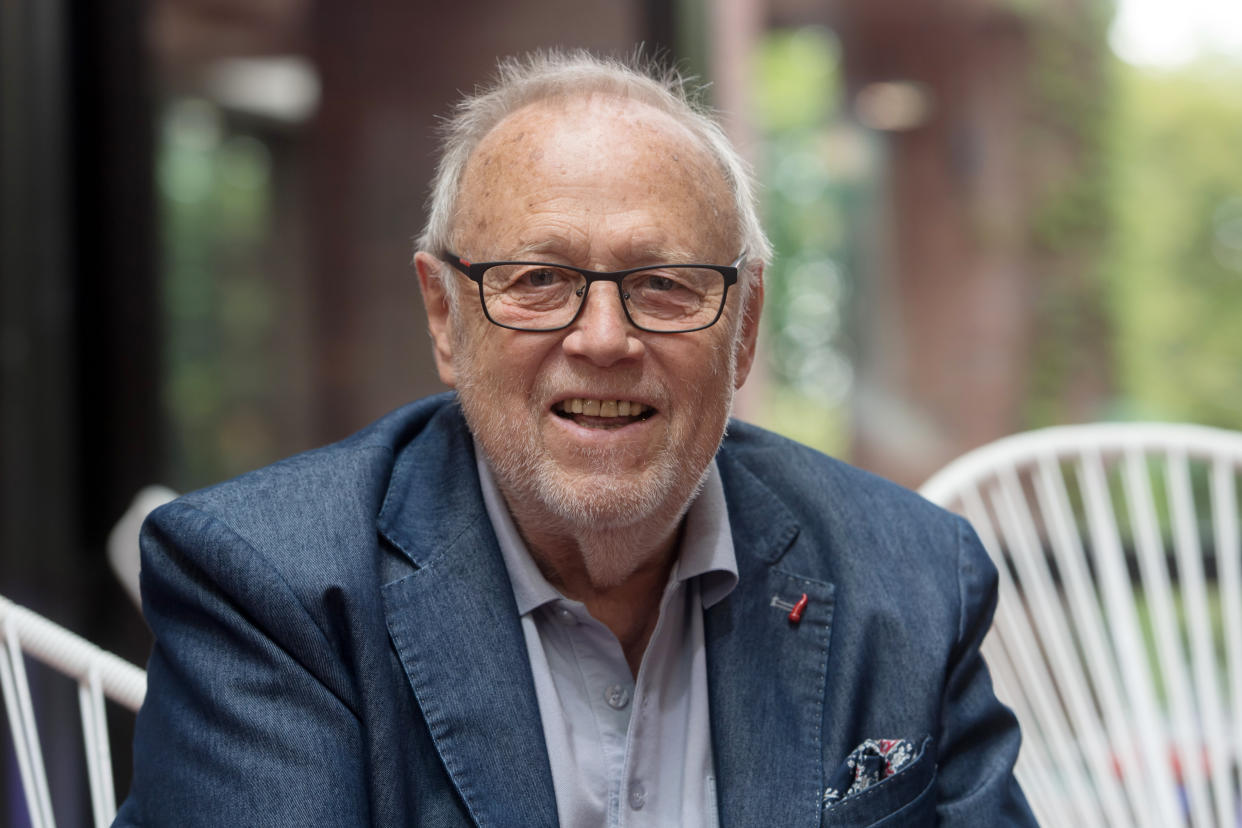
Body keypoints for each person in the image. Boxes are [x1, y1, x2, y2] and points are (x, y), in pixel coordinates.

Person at [116, 50, 1035, 827]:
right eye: (538, 278)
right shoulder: (268, 586)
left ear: (746, 326)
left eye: (668, 283)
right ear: (445, 317)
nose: (602, 339)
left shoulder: (912, 576)